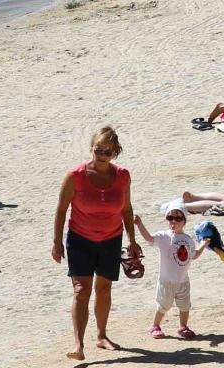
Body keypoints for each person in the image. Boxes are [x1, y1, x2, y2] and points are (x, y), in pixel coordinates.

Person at [52, 126, 140, 362]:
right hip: (80, 239)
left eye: (107, 151)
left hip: (111, 239)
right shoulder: (76, 176)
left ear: (116, 152)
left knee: (104, 289)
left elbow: (127, 208)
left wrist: (132, 240)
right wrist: (57, 242)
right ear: (91, 148)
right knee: (81, 291)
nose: (101, 155)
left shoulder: (123, 176)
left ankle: (101, 335)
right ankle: (78, 344)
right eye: (97, 150)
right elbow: (61, 210)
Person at [134, 202, 207, 340]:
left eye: (178, 218)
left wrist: (204, 244)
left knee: (185, 306)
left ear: (184, 221)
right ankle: (155, 326)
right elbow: (149, 238)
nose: (174, 221)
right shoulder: (163, 236)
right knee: (163, 306)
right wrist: (139, 224)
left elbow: (194, 254)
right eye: (170, 218)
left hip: (183, 280)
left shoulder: (187, 239)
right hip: (166, 281)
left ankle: (183, 327)